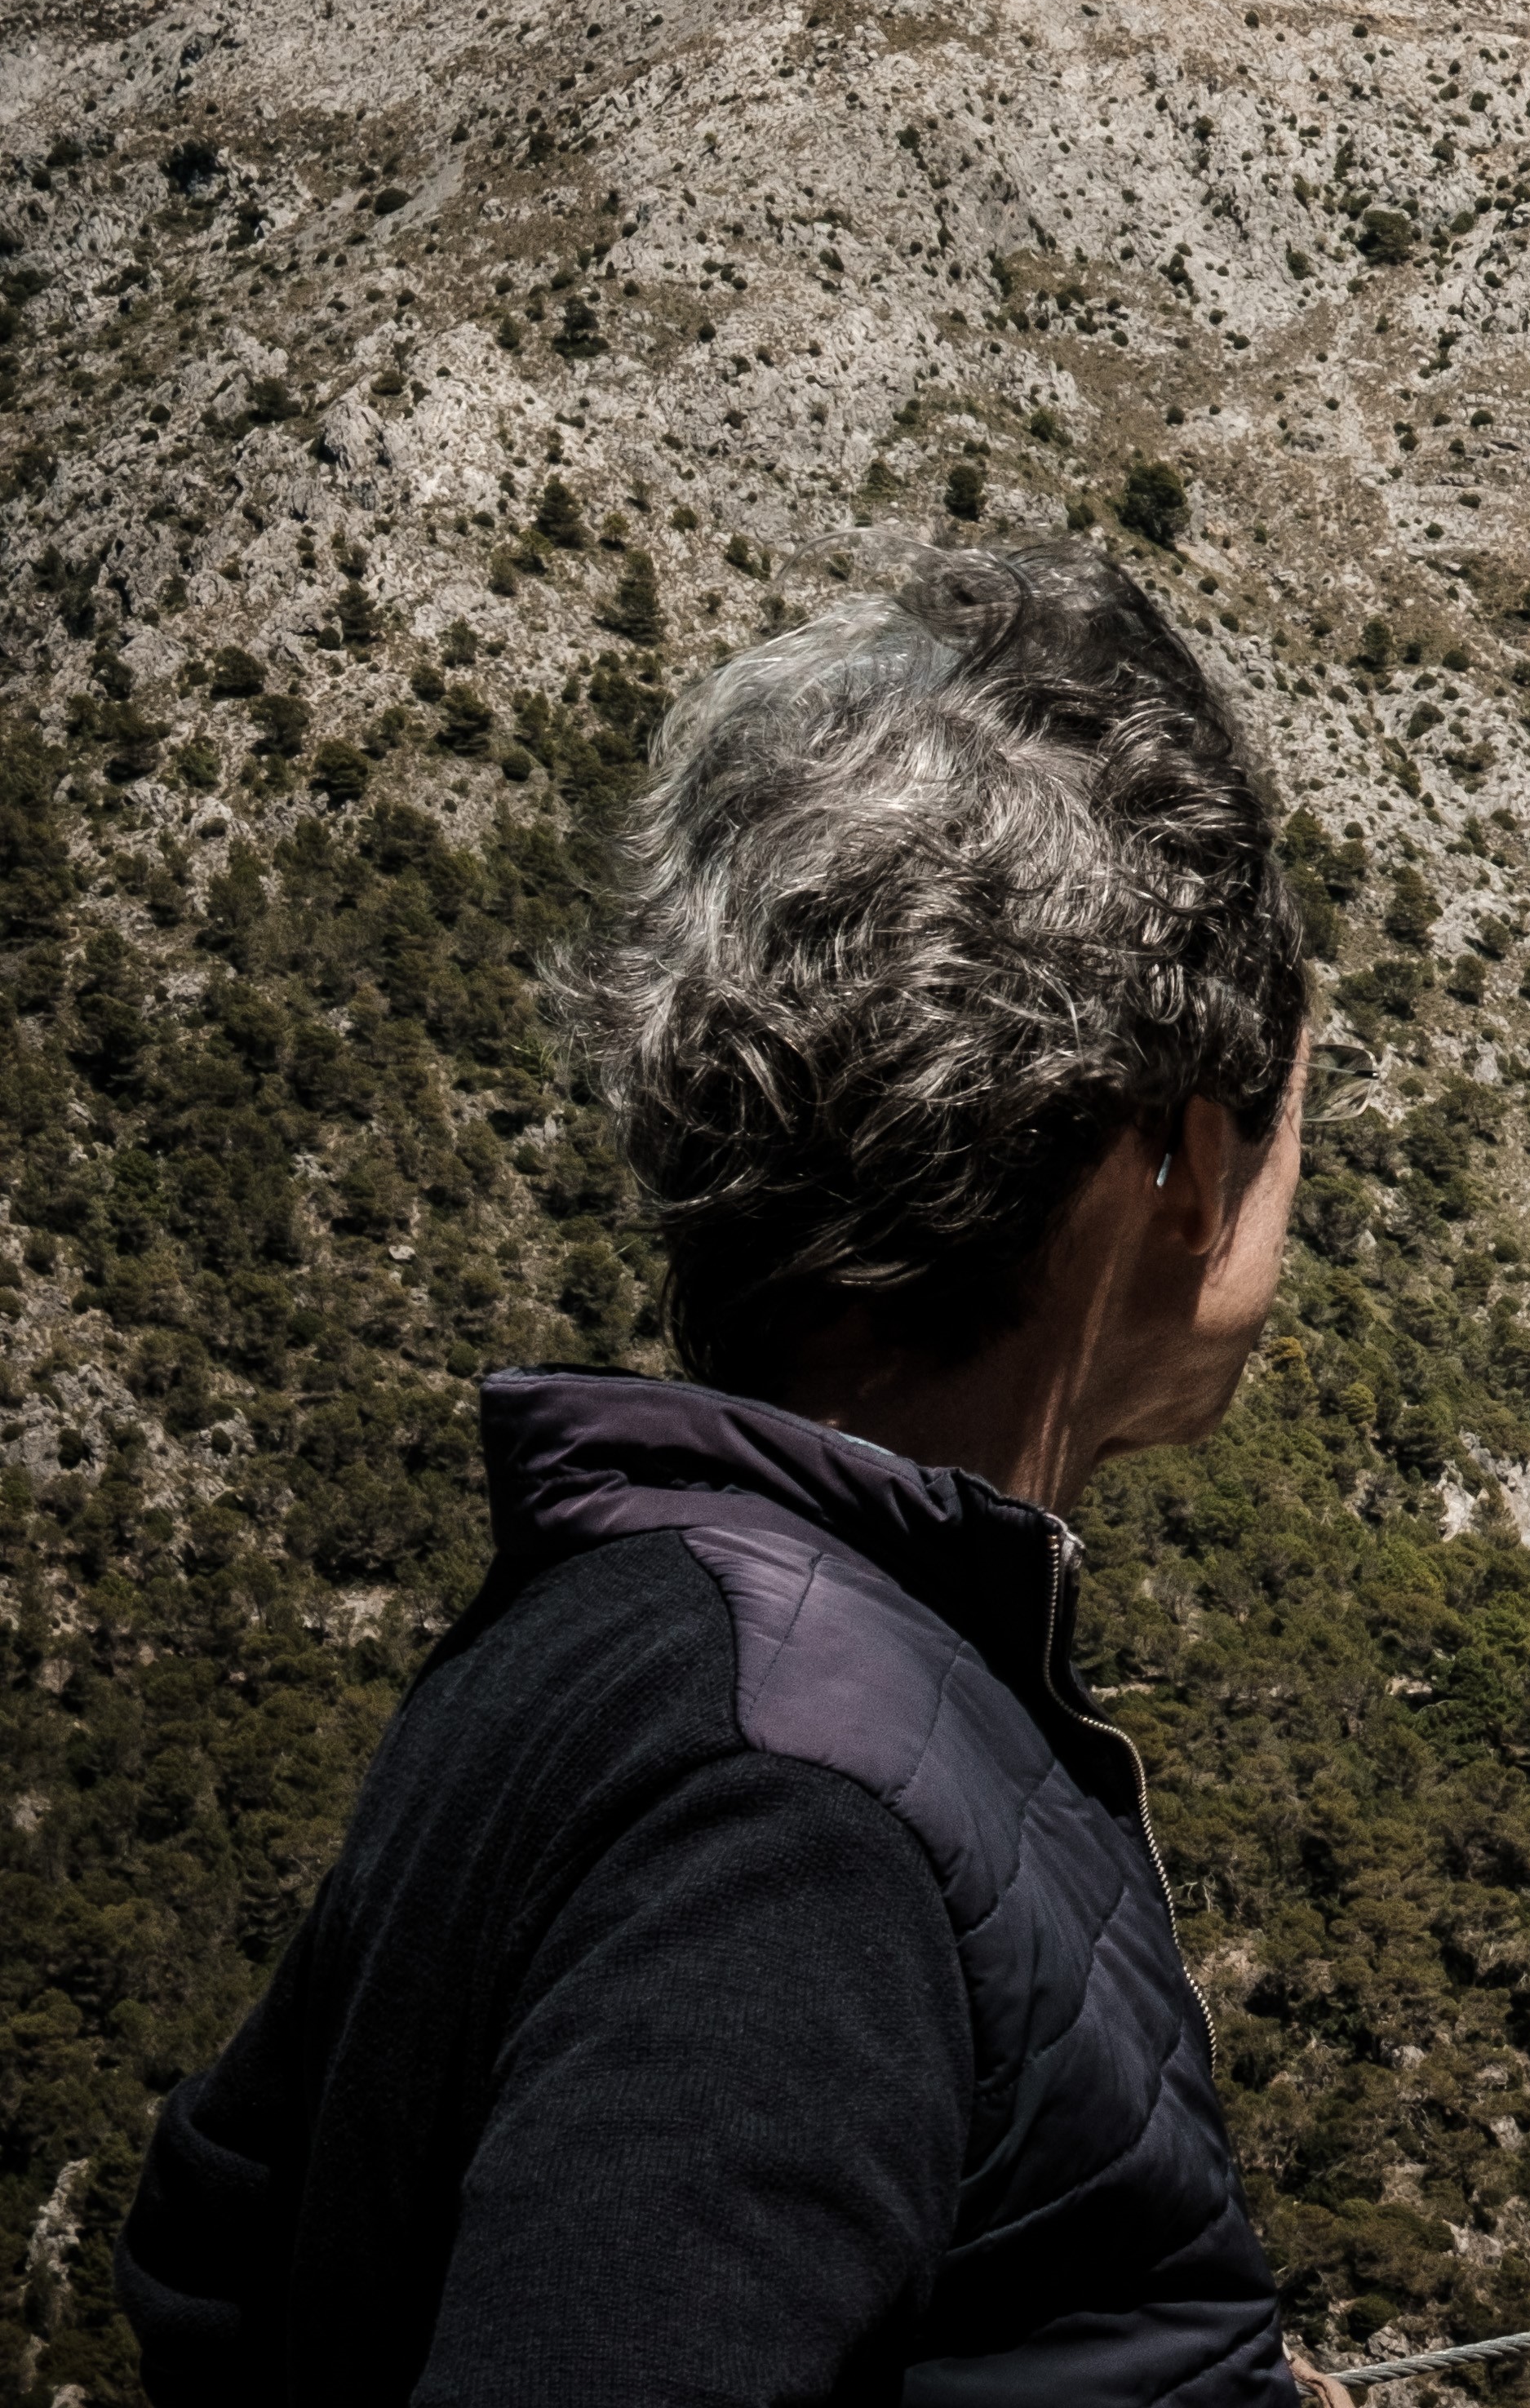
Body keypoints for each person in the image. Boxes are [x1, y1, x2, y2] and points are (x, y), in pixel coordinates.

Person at [121, 545, 1335, 2407]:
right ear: (1172, 1158)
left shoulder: (608, 1631)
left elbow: (225, 2245)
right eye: (1276, 1120)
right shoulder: (796, 1827)